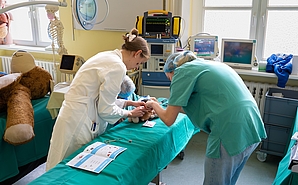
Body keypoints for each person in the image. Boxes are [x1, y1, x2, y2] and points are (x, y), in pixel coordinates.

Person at [145, 51, 267, 185]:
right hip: (251, 125)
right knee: (227, 181)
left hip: (229, 131)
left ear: (172, 71)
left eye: (169, 79)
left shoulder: (182, 72)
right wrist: (167, 106)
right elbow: (202, 102)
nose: (171, 82)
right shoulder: (210, 65)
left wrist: (153, 105)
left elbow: (168, 119)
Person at [46, 28, 150, 171]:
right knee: (67, 167)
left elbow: (99, 97)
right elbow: (105, 109)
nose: (135, 67)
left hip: (74, 113)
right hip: (79, 120)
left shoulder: (108, 55)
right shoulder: (118, 66)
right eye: (138, 63)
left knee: (57, 164)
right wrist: (129, 113)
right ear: (137, 53)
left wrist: (128, 103)